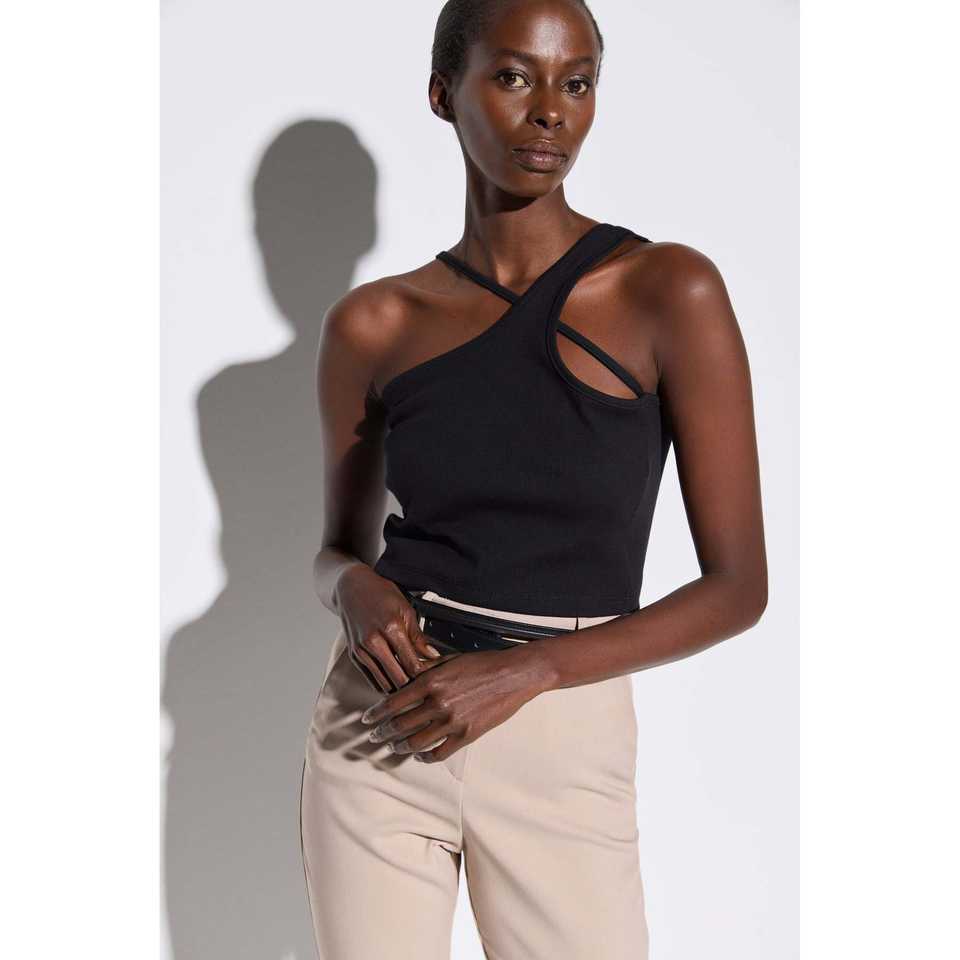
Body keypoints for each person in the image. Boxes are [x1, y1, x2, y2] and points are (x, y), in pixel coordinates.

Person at [300, 0, 768, 957]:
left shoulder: (665, 290)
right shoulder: (374, 324)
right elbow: (337, 549)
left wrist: (531, 669)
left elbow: (739, 589)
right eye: (513, 76)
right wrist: (351, 587)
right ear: (444, 94)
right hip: (380, 722)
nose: (550, 109)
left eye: (577, 81)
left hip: (560, 727)